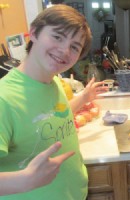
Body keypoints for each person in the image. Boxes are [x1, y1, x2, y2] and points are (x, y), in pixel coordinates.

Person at [0, 4, 106, 199]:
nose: (65, 51)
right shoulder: (3, 98)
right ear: (33, 33)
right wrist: (24, 180)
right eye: (57, 37)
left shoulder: (54, 80)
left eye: (75, 47)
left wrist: (83, 98)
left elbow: (51, 116)